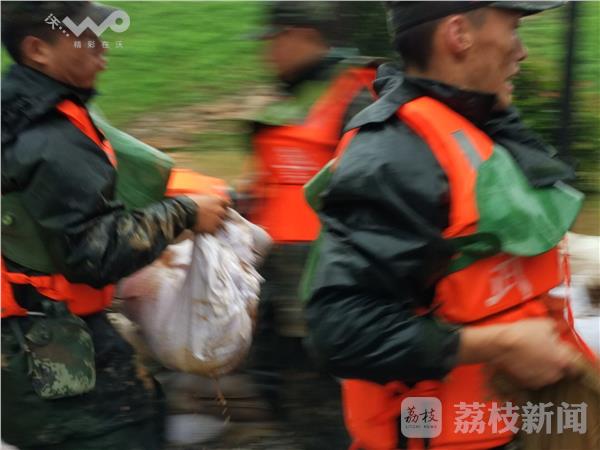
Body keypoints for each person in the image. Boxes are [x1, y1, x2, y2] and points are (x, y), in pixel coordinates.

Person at [304, 2, 596, 450]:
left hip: (515, 427)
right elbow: (341, 331)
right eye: (512, 29)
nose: (521, 51)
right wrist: (500, 343)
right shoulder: (394, 156)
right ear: (459, 34)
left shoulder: (481, 128)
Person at [1, 2, 228, 449]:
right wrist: (183, 213)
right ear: (37, 50)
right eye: (85, 36)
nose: (102, 48)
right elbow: (94, 252)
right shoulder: (52, 136)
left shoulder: (17, 114)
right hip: (55, 353)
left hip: (23, 342)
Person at [240, 0, 381, 418]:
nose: (267, 52)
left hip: (328, 288)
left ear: (302, 35)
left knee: (327, 405)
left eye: (273, 40)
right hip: (280, 284)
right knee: (278, 389)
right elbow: (274, 180)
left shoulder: (355, 96)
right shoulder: (293, 97)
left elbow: (372, 194)